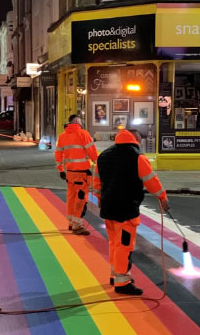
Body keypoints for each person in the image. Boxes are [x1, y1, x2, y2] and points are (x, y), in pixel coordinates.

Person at [92, 129, 170, 295]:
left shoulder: (104, 155)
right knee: (124, 246)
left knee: (114, 243)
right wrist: (162, 197)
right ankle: (122, 282)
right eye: (140, 139)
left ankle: (116, 274)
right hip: (126, 209)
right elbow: (151, 180)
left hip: (108, 208)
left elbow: (97, 182)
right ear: (135, 139)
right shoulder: (137, 157)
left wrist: (100, 199)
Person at [54, 114, 98, 235]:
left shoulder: (63, 136)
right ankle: (77, 225)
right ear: (77, 122)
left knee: (71, 198)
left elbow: (58, 154)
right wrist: (97, 163)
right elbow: (92, 151)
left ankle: (71, 222)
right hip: (82, 173)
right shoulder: (83, 134)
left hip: (70, 174)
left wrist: (60, 170)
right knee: (80, 199)